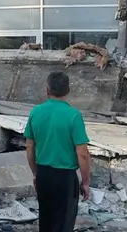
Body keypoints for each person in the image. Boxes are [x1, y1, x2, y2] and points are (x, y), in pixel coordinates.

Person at [24, 72, 91, 232]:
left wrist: (35, 173)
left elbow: (29, 147)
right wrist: (86, 181)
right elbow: (82, 153)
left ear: (47, 90)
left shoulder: (35, 112)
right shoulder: (74, 116)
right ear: (68, 90)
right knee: (64, 223)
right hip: (65, 178)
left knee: (46, 221)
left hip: (44, 174)